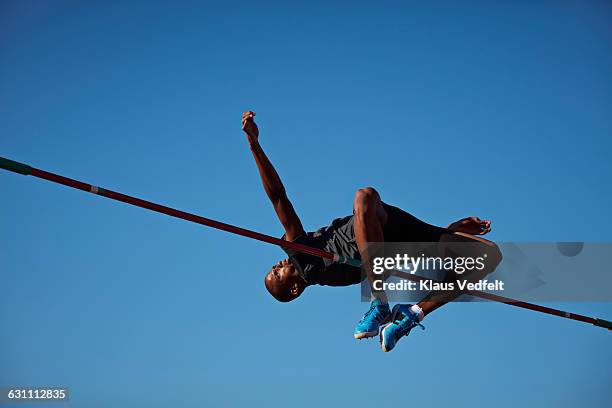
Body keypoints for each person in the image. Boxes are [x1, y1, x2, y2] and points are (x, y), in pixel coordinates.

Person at [242, 111, 502, 352]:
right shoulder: (303, 259)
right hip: (382, 233)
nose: (277, 264)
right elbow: (278, 197)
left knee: (490, 254)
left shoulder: (316, 258)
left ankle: (411, 315)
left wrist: (451, 230)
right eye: (276, 272)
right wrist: (254, 145)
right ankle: (384, 303)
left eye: (273, 267)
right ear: (294, 289)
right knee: (364, 196)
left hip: (391, 227)